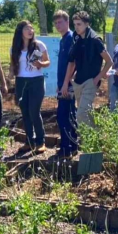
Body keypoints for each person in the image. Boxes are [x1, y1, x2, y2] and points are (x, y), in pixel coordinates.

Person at [61, 11, 113, 127]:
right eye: (75, 24)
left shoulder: (95, 40)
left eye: (79, 24)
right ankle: (94, 141)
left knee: (81, 114)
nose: (76, 27)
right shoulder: (76, 38)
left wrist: (98, 78)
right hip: (78, 82)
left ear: (87, 24)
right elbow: (71, 62)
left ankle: (92, 140)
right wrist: (67, 82)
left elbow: (109, 61)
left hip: (90, 82)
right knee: (85, 114)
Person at [9, 20, 50, 153]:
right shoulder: (15, 47)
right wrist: (9, 76)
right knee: (25, 112)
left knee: (34, 111)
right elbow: (12, 64)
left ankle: (40, 141)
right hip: (21, 81)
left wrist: (41, 64)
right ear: (20, 31)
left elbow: (47, 62)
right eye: (27, 29)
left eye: (32, 29)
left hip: (36, 81)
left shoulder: (39, 45)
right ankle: (29, 142)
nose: (30, 31)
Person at [53, 10, 78, 159]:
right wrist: (59, 83)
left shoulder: (70, 38)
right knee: (68, 115)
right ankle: (71, 145)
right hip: (63, 84)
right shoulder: (63, 39)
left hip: (68, 86)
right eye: (55, 23)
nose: (58, 25)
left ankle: (67, 148)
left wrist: (65, 84)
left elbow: (72, 63)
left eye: (60, 22)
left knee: (64, 117)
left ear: (67, 22)